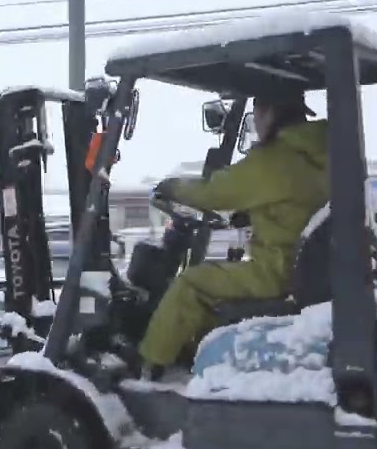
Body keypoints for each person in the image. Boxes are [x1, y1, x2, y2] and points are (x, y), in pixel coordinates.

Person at [137, 90, 331, 378]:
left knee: (191, 285)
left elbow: (213, 192)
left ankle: (148, 370)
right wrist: (250, 215)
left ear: (270, 113)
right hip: (305, 271)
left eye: (257, 115)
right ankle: (195, 361)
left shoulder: (276, 159)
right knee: (210, 298)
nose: (258, 124)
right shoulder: (320, 155)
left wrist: (171, 187)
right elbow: (294, 203)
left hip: (276, 273)